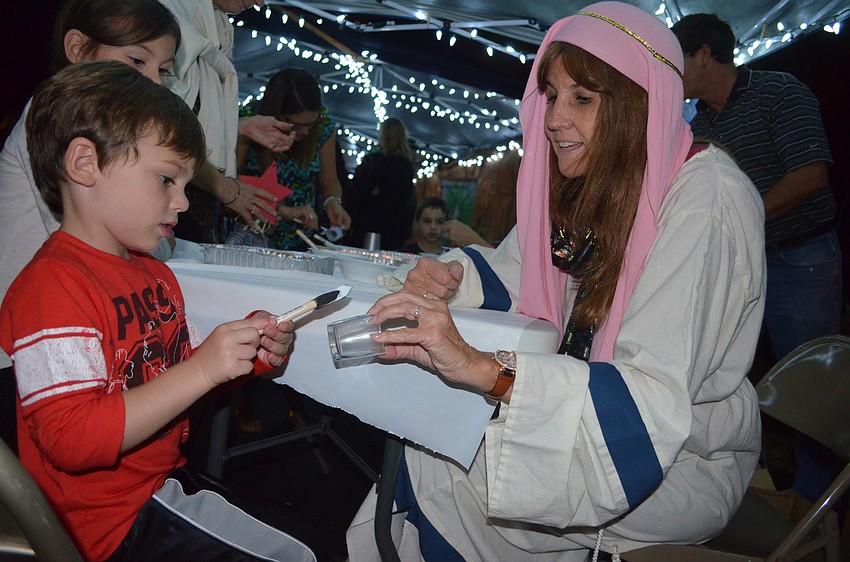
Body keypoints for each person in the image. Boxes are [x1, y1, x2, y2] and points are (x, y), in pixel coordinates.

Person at [346, 2, 766, 559]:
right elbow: (526, 268)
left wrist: (487, 372)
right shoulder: (597, 176)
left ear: (639, 103)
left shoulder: (705, 204)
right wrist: (453, 274)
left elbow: (652, 394)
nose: (554, 119)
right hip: (597, 409)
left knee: (453, 458)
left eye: (583, 99)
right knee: (435, 439)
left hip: (678, 458)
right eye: (551, 94)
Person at [0, 61, 314, 562]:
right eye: (167, 179)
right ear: (85, 164)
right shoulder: (52, 287)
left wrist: (245, 356)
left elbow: (170, 380)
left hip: (154, 483)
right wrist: (201, 367)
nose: (183, 203)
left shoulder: (152, 273)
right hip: (105, 522)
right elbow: (72, 440)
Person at [671, 12, 843, 506]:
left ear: (703, 54)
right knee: (727, 375)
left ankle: (816, 506)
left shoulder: (777, 92)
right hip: (741, 268)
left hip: (800, 260)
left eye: (674, 60)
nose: (669, 73)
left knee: (812, 389)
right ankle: (746, 485)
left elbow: (812, 174)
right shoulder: (698, 124)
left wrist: (741, 218)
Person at [0, 0, 183, 454]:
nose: (152, 81)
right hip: (22, 355)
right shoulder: (55, 121)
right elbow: (116, 242)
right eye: (137, 60)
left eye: (163, 69)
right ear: (78, 50)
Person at [159, 0, 297, 243]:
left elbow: (191, 120)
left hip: (193, 208)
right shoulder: (165, 15)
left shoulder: (218, 28)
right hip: (162, 204)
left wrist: (238, 126)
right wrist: (226, 189)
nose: (259, 2)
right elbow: (164, 132)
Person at [234, 68, 352, 250]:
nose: (305, 131)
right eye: (296, 125)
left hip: (301, 239)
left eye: (311, 124)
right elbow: (231, 181)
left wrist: (333, 201)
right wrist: (280, 210)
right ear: (276, 112)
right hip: (251, 234)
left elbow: (329, 180)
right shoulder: (250, 122)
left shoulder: (324, 127)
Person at [350, 117, 416, 250]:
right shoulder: (406, 164)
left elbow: (363, 188)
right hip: (396, 225)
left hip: (373, 224)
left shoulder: (378, 162)